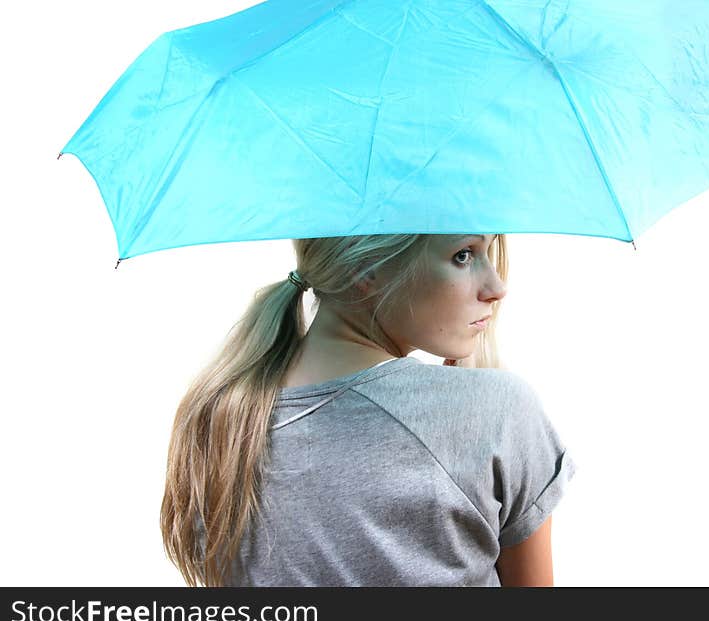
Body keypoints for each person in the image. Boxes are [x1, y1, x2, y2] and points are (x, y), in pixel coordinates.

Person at [160, 233, 576, 586]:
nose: (496, 286)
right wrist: (466, 403)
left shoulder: (217, 418)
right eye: (463, 255)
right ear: (365, 272)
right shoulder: (498, 410)